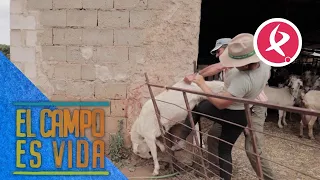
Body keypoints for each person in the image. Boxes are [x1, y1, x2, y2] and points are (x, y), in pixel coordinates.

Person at [173, 33, 271, 180]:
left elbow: (220, 104)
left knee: (198, 106)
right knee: (224, 149)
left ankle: (181, 138)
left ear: (244, 63)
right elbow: (219, 67)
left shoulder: (242, 79)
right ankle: (220, 174)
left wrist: (202, 84)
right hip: (243, 113)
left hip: (237, 110)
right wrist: (198, 74)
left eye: (219, 51)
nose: (219, 56)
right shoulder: (264, 65)